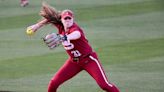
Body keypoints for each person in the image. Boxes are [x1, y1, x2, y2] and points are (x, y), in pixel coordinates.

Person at [27, 3, 120, 92]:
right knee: (53, 83)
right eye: (65, 19)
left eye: (69, 18)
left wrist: (64, 37)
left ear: (72, 19)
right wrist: (37, 26)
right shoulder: (61, 26)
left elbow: (77, 34)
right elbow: (50, 18)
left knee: (104, 85)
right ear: (61, 20)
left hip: (89, 60)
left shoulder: (75, 28)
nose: (67, 20)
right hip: (74, 62)